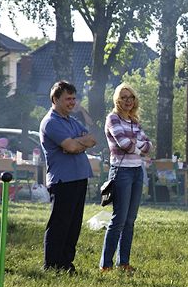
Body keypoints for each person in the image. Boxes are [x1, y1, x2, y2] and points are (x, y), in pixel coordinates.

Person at [39, 80, 96, 272]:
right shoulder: (51, 122)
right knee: (60, 224)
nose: (72, 102)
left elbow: (92, 140)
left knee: (73, 225)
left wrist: (74, 144)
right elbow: (71, 146)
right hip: (63, 180)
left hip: (79, 177)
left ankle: (66, 263)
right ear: (55, 99)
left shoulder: (72, 120)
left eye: (74, 98)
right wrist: (76, 145)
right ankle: (52, 265)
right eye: (67, 99)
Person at [99, 83, 152, 273]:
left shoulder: (134, 121)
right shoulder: (112, 119)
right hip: (121, 172)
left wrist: (136, 144)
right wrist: (138, 144)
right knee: (118, 219)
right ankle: (106, 264)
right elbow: (123, 144)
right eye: (124, 98)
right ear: (117, 100)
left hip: (137, 171)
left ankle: (124, 263)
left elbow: (149, 146)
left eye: (131, 97)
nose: (128, 101)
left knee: (131, 220)